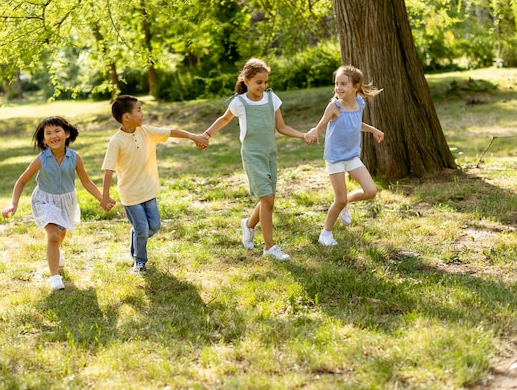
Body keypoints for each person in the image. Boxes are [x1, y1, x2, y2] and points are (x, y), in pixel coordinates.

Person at [201, 58, 313, 261]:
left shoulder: (271, 99)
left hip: (270, 153)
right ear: (246, 80)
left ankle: (249, 224)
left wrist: (303, 135)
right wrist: (206, 135)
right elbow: (224, 119)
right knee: (267, 198)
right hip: (252, 155)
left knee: (267, 199)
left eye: (265, 82)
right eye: (258, 82)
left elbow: (282, 127)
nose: (263, 86)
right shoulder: (239, 102)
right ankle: (269, 247)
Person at [2, 116, 112, 291]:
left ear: (66, 133)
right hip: (44, 200)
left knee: (59, 235)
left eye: (57, 131)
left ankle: (57, 251)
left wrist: (102, 199)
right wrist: (13, 204)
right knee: (53, 235)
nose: (53, 135)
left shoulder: (75, 158)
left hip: (66, 201)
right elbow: (21, 181)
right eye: (48, 133)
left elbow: (87, 182)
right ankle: (54, 277)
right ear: (44, 138)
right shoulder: (41, 159)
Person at [101, 95, 208, 274]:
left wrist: (193, 136)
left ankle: (137, 237)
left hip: (149, 190)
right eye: (139, 110)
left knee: (154, 226)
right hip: (130, 194)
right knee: (142, 229)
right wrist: (105, 196)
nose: (142, 114)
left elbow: (170, 131)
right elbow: (109, 170)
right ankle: (140, 262)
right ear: (126, 117)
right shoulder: (116, 142)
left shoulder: (146, 131)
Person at [305, 65, 384, 246]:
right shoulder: (334, 106)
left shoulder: (359, 103)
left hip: (352, 157)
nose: (338, 88)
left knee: (370, 191)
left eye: (343, 84)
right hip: (335, 160)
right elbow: (320, 126)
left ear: (356, 87)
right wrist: (314, 133)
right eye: (336, 84)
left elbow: (356, 123)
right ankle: (326, 233)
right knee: (338, 199)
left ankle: (344, 203)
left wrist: (373, 130)